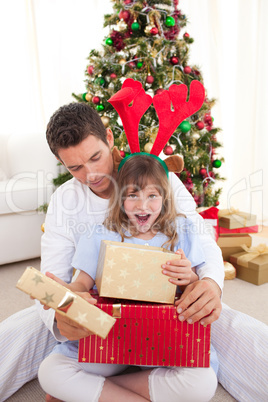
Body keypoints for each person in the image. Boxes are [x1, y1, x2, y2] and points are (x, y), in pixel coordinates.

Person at [0, 102, 224, 401]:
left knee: (213, 362)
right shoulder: (77, 213)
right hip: (103, 325)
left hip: (163, 322)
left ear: (109, 138)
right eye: (75, 167)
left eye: (95, 158)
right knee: (40, 358)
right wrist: (61, 309)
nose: (91, 174)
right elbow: (65, 279)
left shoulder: (157, 177)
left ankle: (95, 391)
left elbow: (200, 239)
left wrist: (206, 282)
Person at [38, 153, 218, 401]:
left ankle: (99, 387)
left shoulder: (182, 232)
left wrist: (190, 278)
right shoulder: (100, 233)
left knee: (203, 383)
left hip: (164, 341)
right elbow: (81, 283)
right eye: (133, 195)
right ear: (120, 198)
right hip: (108, 340)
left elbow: (197, 289)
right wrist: (65, 292)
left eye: (152, 196)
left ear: (164, 197)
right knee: (50, 372)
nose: (143, 206)